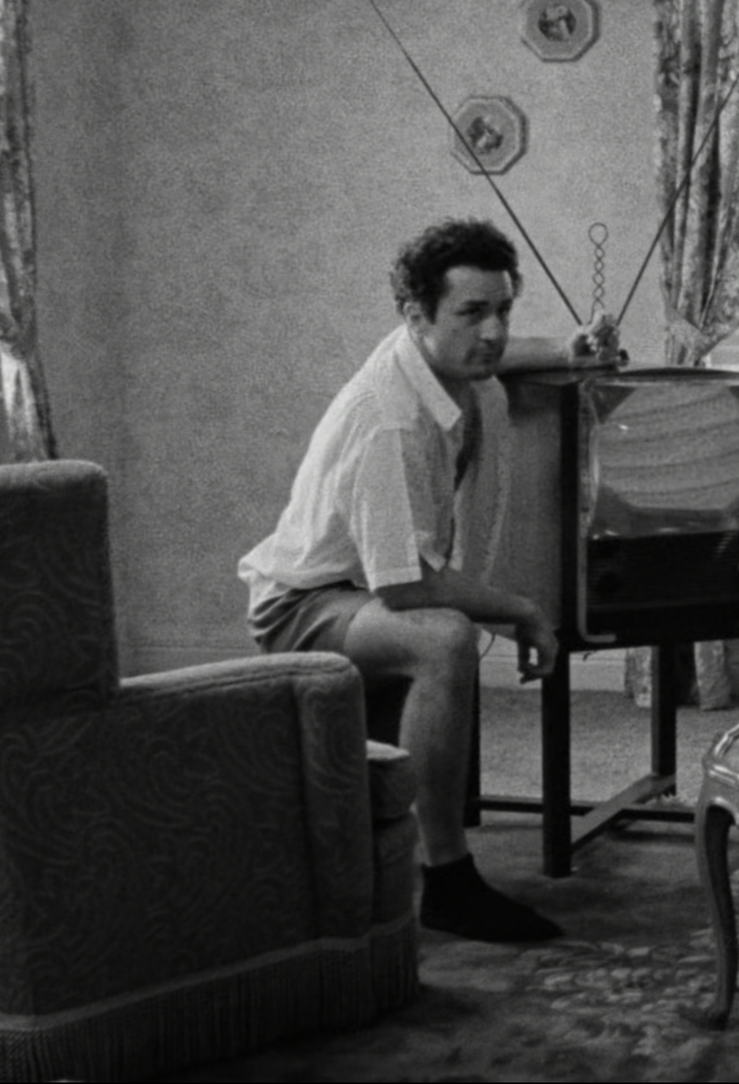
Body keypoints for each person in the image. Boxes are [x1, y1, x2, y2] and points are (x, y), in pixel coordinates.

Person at [239, 217, 617, 943]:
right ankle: (448, 881)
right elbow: (407, 586)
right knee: (443, 637)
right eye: (472, 312)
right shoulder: (389, 419)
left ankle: (426, 846)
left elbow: (488, 356)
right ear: (416, 316)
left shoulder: (437, 360)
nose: (494, 331)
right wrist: (521, 610)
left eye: (503, 309)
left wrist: (562, 350)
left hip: (359, 592)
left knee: (448, 628)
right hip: (302, 607)